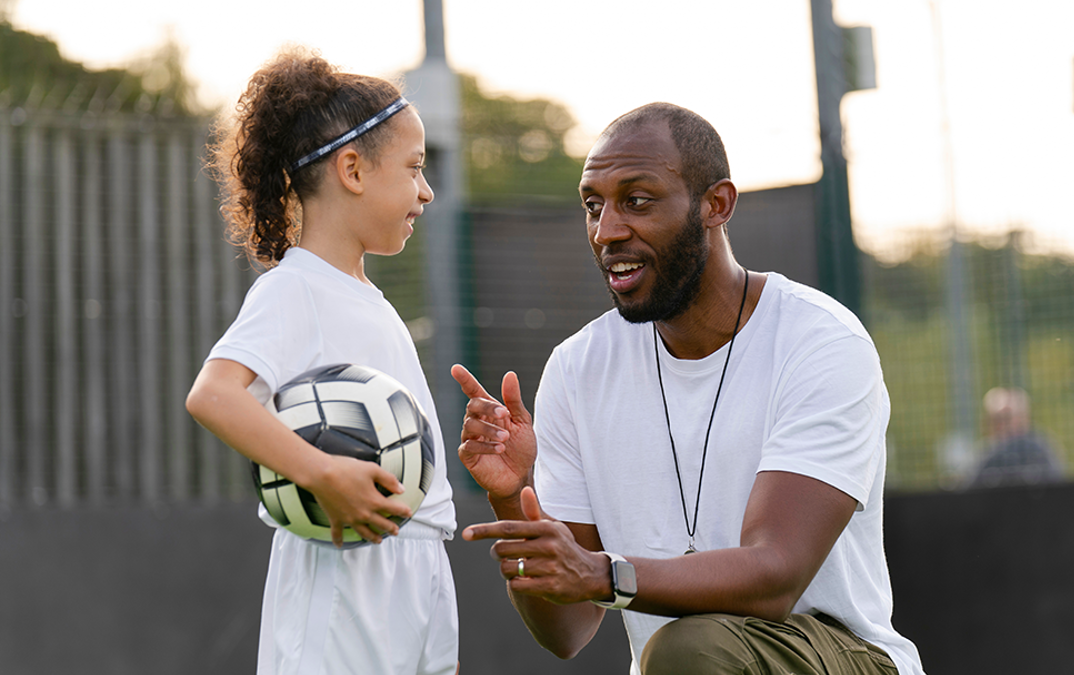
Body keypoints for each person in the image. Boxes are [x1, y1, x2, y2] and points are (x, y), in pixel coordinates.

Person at [451, 103, 923, 675]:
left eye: (637, 201)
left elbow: (776, 574)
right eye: (593, 206)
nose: (607, 231)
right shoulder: (578, 369)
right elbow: (567, 631)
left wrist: (604, 573)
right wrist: (516, 496)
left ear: (715, 205)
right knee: (682, 651)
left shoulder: (819, 340)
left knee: (687, 647)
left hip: (839, 657)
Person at [185, 48, 458, 675]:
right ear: (353, 169)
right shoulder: (295, 288)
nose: (428, 189)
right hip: (343, 570)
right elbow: (214, 394)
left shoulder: (368, 298)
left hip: (417, 566)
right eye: (414, 168)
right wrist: (321, 473)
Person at [970, 387, 1065, 488]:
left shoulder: (1041, 450)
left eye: (1007, 418)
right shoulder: (984, 455)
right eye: (996, 419)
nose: (1001, 425)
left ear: (1023, 418)